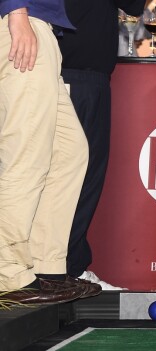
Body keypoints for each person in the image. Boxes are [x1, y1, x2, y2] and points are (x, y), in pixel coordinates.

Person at [0, 0, 101, 305]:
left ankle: (45, 266)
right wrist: (16, 12)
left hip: (41, 27)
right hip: (21, 20)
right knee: (27, 157)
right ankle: (8, 273)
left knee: (69, 153)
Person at [58, 0, 144, 291]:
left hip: (85, 73)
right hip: (72, 72)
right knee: (74, 177)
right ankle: (65, 268)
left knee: (82, 176)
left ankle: (68, 266)